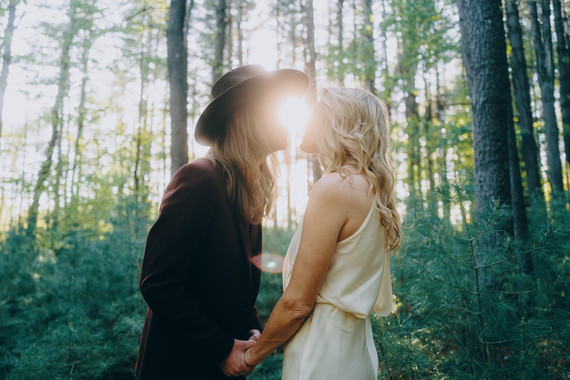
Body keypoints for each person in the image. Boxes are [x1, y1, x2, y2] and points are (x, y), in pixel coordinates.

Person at [134, 64, 308, 380]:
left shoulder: (245, 188)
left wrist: (252, 329)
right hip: (179, 366)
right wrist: (221, 348)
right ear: (249, 116)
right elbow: (158, 282)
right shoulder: (200, 179)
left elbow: (236, 289)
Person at [242, 86, 401, 379]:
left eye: (315, 113)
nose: (304, 121)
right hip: (355, 350)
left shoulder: (336, 187)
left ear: (337, 121)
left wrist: (252, 356)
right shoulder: (370, 190)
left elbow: (297, 303)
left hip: (323, 355)